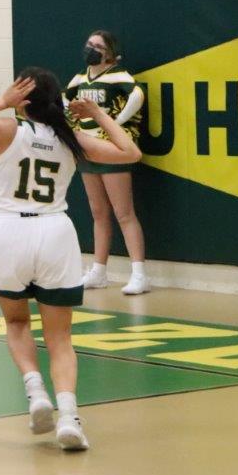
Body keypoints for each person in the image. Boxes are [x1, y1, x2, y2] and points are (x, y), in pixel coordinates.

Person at [0, 67, 141, 450]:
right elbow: (130, 152)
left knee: (16, 322)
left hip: (7, 230)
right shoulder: (70, 137)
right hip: (54, 232)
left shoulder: (9, 129)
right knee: (60, 337)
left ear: (22, 100)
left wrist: (2, 101)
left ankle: (36, 392)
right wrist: (99, 114)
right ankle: (69, 417)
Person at [63, 30, 148, 294]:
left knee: (124, 213)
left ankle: (139, 274)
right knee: (98, 212)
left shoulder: (118, 75)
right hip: (88, 149)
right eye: (89, 44)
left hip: (110, 149)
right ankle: (99, 271)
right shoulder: (81, 77)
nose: (91, 49)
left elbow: (138, 94)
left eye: (98, 46)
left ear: (109, 53)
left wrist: (117, 123)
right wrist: (69, 116)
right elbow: (64, 97)